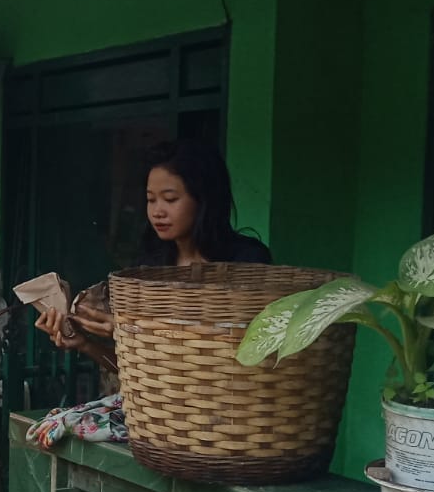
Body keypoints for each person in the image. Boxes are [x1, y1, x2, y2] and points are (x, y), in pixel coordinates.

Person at [36, 138, 270, 363]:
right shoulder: (149, 267)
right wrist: (84, 344)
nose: (157, 212)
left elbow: (240, 354)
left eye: (170, 199)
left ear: (204, 200)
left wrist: (131, 332)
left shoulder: (246, 262)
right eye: (151, 200)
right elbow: (139, 373)